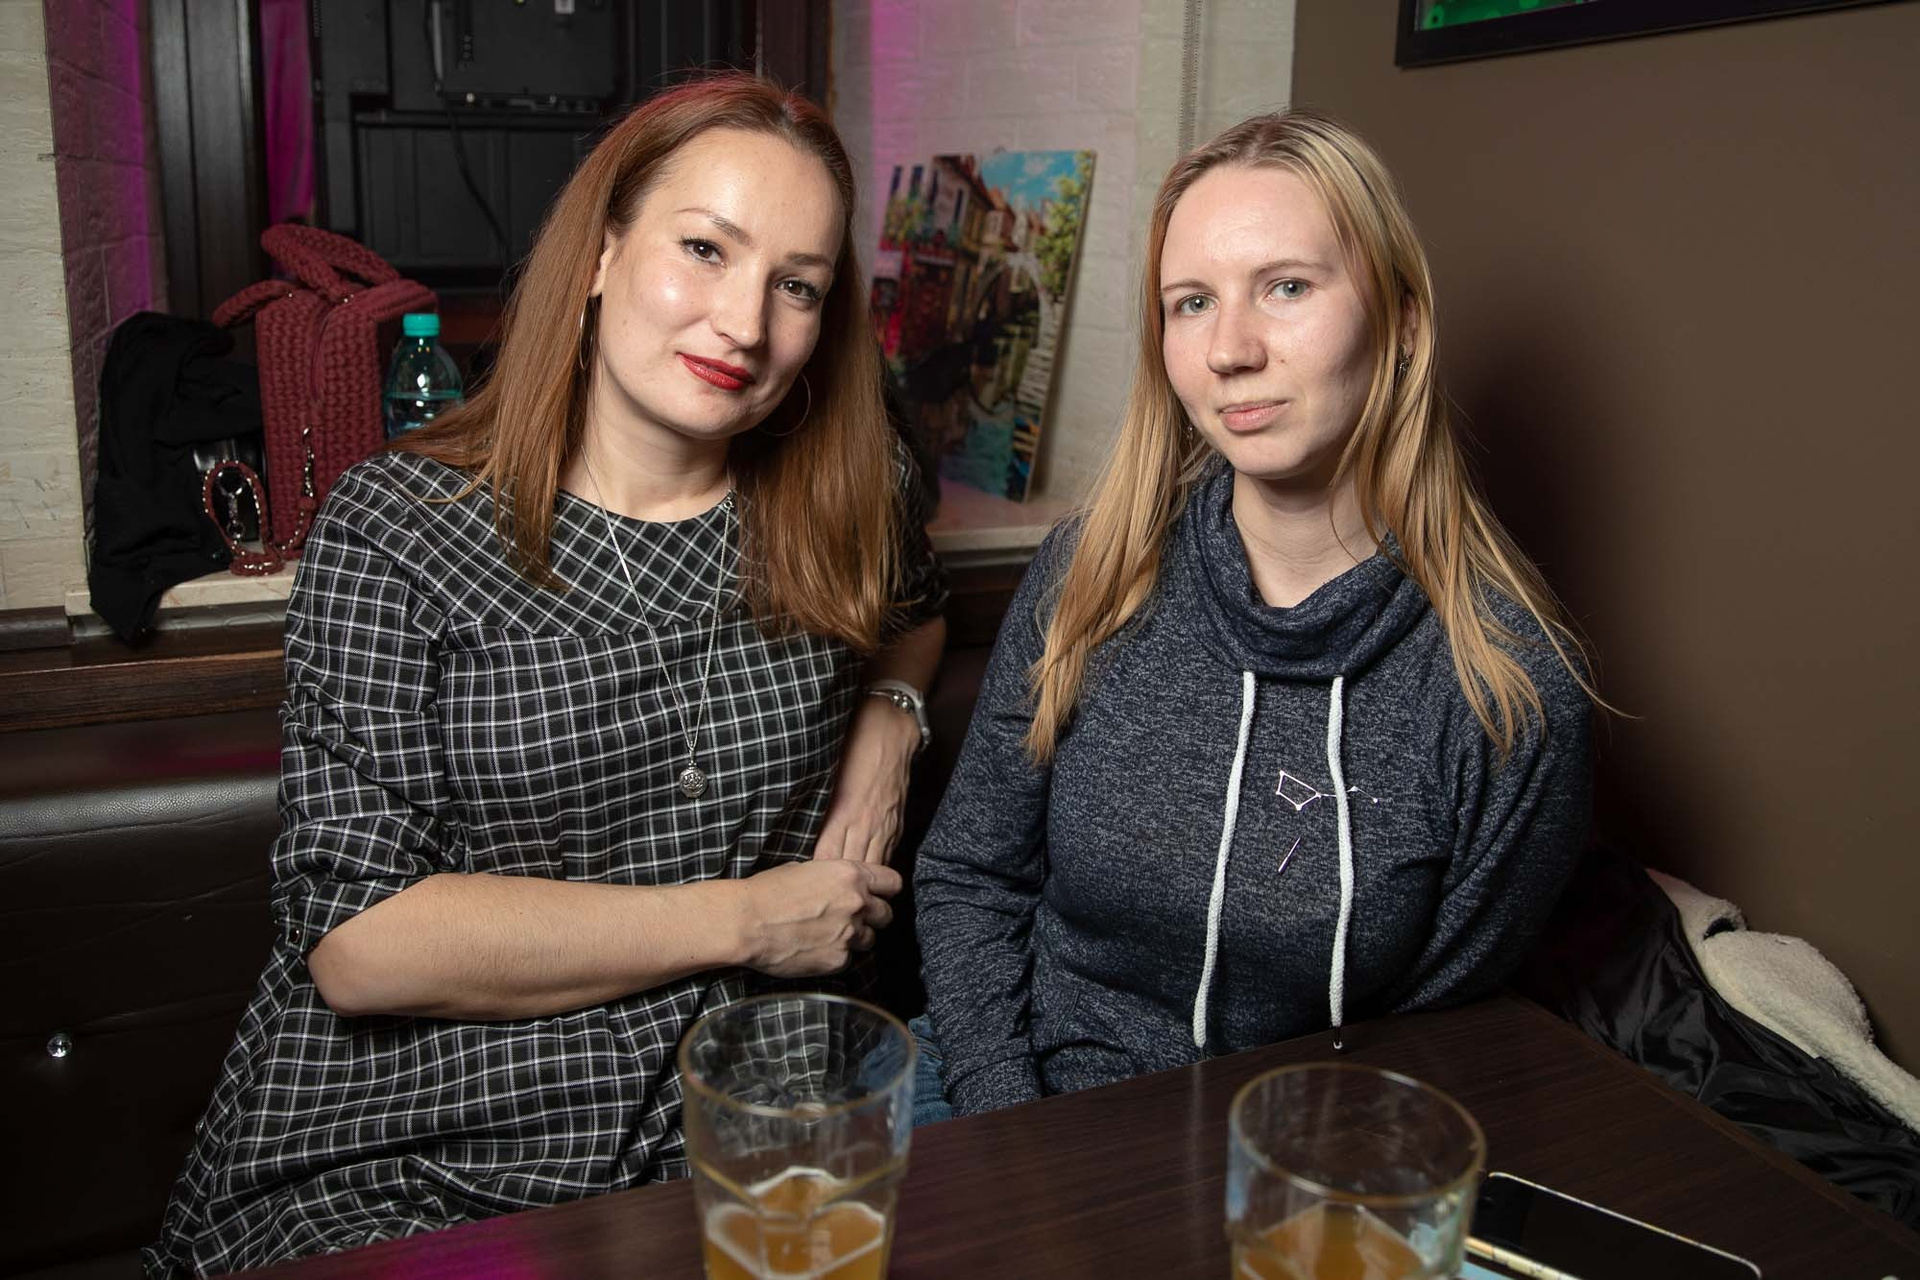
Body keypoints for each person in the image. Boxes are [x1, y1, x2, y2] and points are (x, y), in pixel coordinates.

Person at [147, 73, 946, 1276]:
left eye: (796, 284)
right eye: (704, 248)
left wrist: (884, 741)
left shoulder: (846, 497)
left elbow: (919, 615)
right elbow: (361, 942)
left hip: (724, 1135)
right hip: (413, 1148)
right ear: (602, 252)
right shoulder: (400, 527)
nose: (744, 322)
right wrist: (748, 916)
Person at [913, 109, 1597, 1120]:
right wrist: (1015, 1131)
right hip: (1012, 1106)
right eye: (1192, 303)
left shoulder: (1510, 693)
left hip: (1296, 1160)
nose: (1230, 349)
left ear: (1403, 323)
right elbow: (970, 874)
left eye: (1286, 287)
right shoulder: (1088, 573)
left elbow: (1439, 1035)